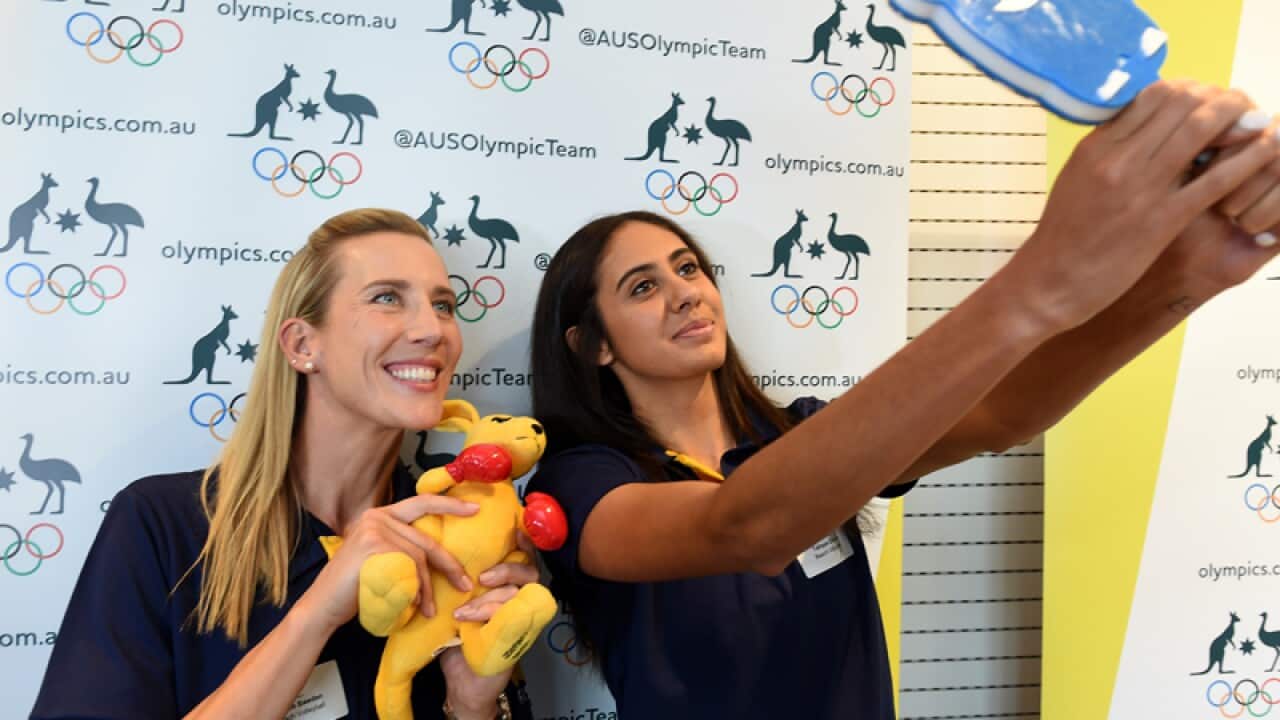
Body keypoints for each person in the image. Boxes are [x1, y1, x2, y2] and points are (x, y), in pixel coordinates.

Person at [525, 81, 1280, 718]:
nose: (685, 293)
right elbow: (747, 525)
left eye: (688, 268)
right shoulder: (581, 485)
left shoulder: (796, 436)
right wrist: (1040, 284)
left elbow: (1000, 416)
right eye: (643, 287)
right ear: (593, 344)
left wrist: (1186, 281)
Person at [31, 209, 539, 720]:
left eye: (443, 304)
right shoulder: (162, 526)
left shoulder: (454, 536)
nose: (433, 329)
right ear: (301, 345)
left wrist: (472, 702)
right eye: (387, 298)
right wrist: (316, 614)